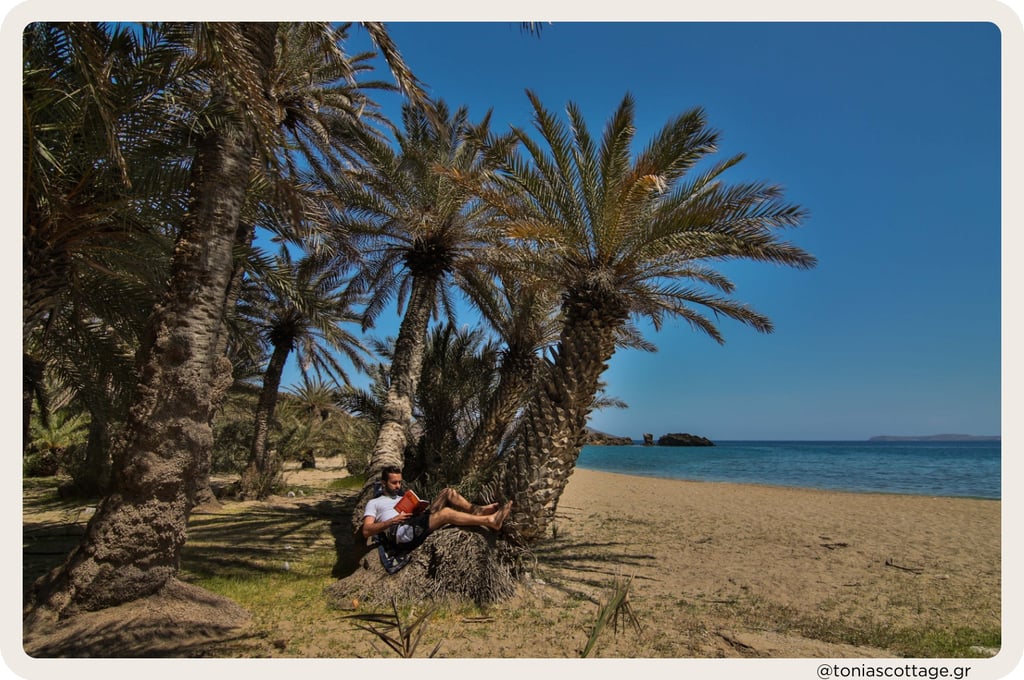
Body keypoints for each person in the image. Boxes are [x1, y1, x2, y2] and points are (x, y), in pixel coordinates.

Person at [362, 466, 513, 548]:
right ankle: (490, 520)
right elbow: (366, 531)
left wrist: (418, 508)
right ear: (383, 483)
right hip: (400, 531)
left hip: (415, 520)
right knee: (446, 513)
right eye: (393, 483)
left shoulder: (402, 497)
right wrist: (392, 521)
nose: (398, 486)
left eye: (399, 482)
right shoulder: (374, 503)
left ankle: (479, 510)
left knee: (448, 492)